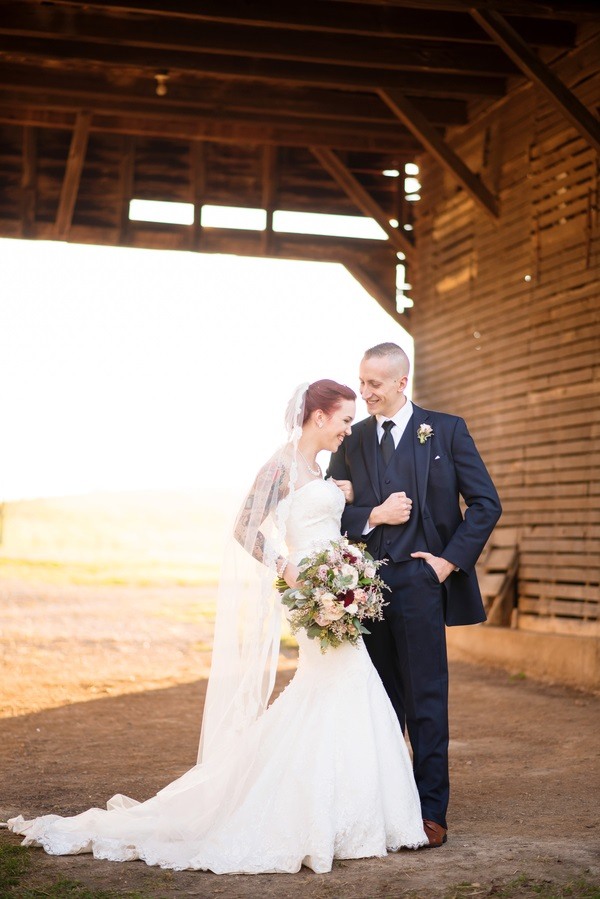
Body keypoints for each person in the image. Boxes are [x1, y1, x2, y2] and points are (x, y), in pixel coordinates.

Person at [5, 379, 428, 874]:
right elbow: (245, 528)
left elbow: (326, 524)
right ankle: (316, 813)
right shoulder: (280, 465)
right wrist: (292, 572)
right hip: (310, 593)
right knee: (341, 682)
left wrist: (345, 557)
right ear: (319, 417)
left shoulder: (318, 469)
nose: (347, 430)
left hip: (335, 589)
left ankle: (351, 814)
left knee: (347, 684)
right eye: (343, 420)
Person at [328, 344, 502, 848]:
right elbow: (326, 510)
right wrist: (370, 516)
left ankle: (430, 812)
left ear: (402, 383)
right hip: (363, 588)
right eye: (361, 382)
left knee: (426, 699)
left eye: (375, 384)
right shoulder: (352, 438)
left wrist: (447, 563)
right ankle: (383, 809)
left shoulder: (445, 430)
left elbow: (486, 503)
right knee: (377, 702)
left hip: (421, 584)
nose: (365, 393)